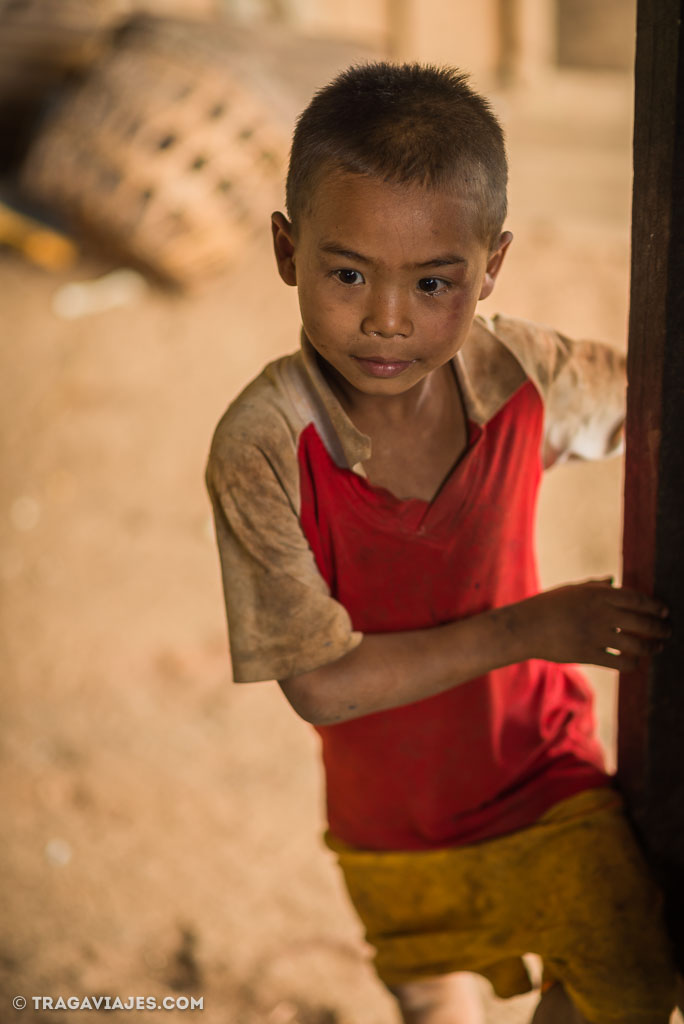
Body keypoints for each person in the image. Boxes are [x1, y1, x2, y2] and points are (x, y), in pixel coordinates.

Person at [206, 63, 677, 1024]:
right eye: (348, 274)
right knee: (430, 1000)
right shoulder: (263, 446)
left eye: (434, 282)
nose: (387, 319)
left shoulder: (521, 375)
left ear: (490, 267)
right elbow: (322, 684)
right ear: (286, 250)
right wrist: (531, 627)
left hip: (541, 775)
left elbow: (647, 411)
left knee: (629, 984)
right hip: (387, 826)